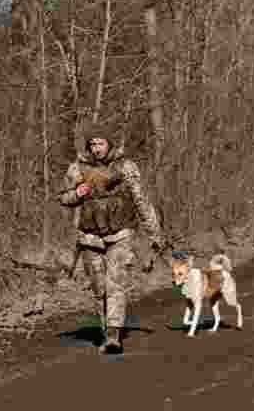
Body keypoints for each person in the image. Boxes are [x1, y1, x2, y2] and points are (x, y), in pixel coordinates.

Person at [58, 121, 165, 354]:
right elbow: (63, 198)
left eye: (101, 143)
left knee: (115, 282)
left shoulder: (126, 167)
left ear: (109, 144)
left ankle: (113, 335)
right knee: (99, 289)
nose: (96, 148)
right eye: (93, 144)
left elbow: (141, 200)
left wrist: (154, 233)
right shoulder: (77, 168)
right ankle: (106, 328)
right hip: (90, 237)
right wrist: (77, 193)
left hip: (120, 234)